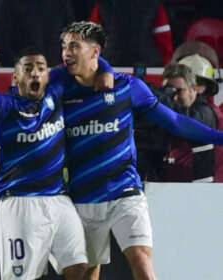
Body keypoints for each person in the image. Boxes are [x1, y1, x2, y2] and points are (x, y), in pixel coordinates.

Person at [50, 21, 223, 280]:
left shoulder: (127, 86)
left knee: (141, 260)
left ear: (95, 52)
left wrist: (220, 137)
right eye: (64, 47)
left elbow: (176, 122)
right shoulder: (59, 89)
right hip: (83, 196)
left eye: (75, 46)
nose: (67, 53)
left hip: (125, 192)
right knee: (87, 273)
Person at [0, 44, 89, 280]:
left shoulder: (55, 94)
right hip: (20, 202)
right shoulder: (4, 107)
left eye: (40, 68)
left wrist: (106, 69)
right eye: (28, 69)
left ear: (47, 75)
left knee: (78, 267)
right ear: (16, 77)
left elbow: (82, 61)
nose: (35, 73)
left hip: (59, 199)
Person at [161, 63, 221, 182]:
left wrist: (155, 106)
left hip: (206, 194)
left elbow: (182, 123)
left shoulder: (206, 112)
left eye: (179, 91)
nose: (174, 98)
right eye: (169, 92)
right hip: (179, 190)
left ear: (194, 89)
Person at [0, 0, 75, 67]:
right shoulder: (7, 4)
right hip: (22, 76)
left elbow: (71, 36)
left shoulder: (60, 4)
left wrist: (61, 67)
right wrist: (20, 68)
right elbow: (1, 44)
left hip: (55, 71)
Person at [89, 0, 173, 66]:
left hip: (111, 61)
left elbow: (92, 37)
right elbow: (163, 36)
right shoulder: (153, 3)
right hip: (147, 63)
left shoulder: (102, 4)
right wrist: (166, 63)